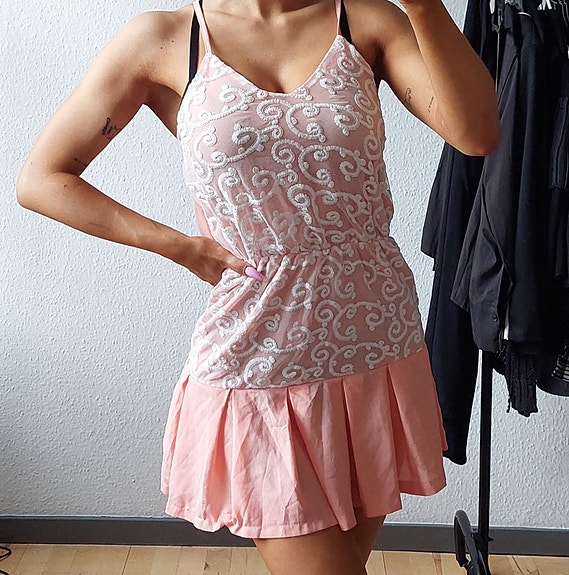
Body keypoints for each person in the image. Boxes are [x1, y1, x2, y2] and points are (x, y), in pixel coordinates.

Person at [17, 0, 499, 573]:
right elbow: (42, 179)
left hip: (375, 347)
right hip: (257, 359)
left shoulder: (366, 19)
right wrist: (180, 247)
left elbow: (477, 133)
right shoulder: (166, 38)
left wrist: (422, 6)